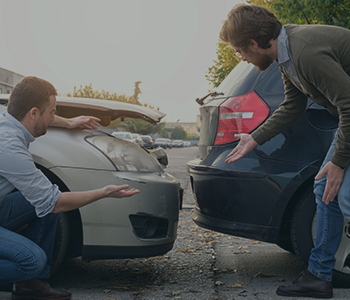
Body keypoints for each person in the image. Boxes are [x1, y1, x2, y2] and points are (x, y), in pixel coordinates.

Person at [220, 4, 350, 299]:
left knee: (344, 195)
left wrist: (339, 162)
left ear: (254, 44)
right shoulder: (286, 55)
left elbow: (349, 103)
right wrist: (254, 138)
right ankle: (318, 276)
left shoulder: (305, 52)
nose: (240, 57)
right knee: (325, 189)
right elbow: (293, 104)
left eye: (239, 51)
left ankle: (318, 274)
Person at [0, 76, 140, 300]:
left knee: (42, 198)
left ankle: (30, 286)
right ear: (34, 113)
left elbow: (47, 201)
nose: (54, 117)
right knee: (32, 260)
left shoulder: (8, 121)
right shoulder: (9, 146)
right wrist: (104, 192)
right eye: (52, 112)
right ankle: (31, 274)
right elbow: (55, 203)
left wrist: (68, 122)